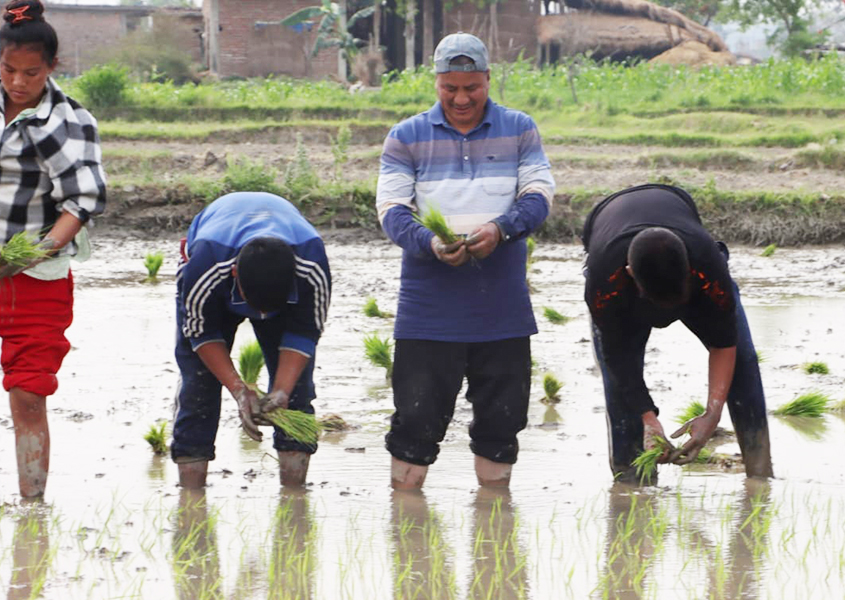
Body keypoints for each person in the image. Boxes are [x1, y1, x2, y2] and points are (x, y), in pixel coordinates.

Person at [375, 32, 555, 489]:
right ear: (436, 82)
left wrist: (502, 229)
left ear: (488, 80)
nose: (460, 98)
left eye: (471, 88)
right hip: (428, 314)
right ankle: (410, 542)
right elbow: (391, 210)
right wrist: (429, 244)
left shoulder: (520, 128)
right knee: (413, 427)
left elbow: (539, 194)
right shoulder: (406, 136)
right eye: (449, 88)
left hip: (502, 312)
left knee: (501, 427)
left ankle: (493, 537)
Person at [583, 184, 773, 483]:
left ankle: (760, 475)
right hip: (609, 231)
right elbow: (617, 361)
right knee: (621, 391)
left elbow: (724, 344)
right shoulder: (607, 282)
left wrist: (712, 414)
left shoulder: (707, 266)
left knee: (744, 363)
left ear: (689, 271)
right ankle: (633, 485)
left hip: (680, 223)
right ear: (631, 274)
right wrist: (648, 418)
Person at [0, 0, 107, 498]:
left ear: (52, 67)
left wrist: (29, 254)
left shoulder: (67, 123)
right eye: (8, 69)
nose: (18, 82)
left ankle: (32, 509)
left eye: (31, 72)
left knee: (28, 392)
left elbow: (81, 203)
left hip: (32, 278)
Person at [172, 192, 331, 489]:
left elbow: (306, 331)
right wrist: (238, 390)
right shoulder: (206, 265)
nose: (258, 315)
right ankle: (191, 496)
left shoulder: (311, 266)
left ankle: (293, 494)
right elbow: (201, 333)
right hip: (215, 272)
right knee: (198, 387)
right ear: (235, 277)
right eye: (251, 304)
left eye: (266, 311)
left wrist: (282, 391)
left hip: (285, 282)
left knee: (296, 394)